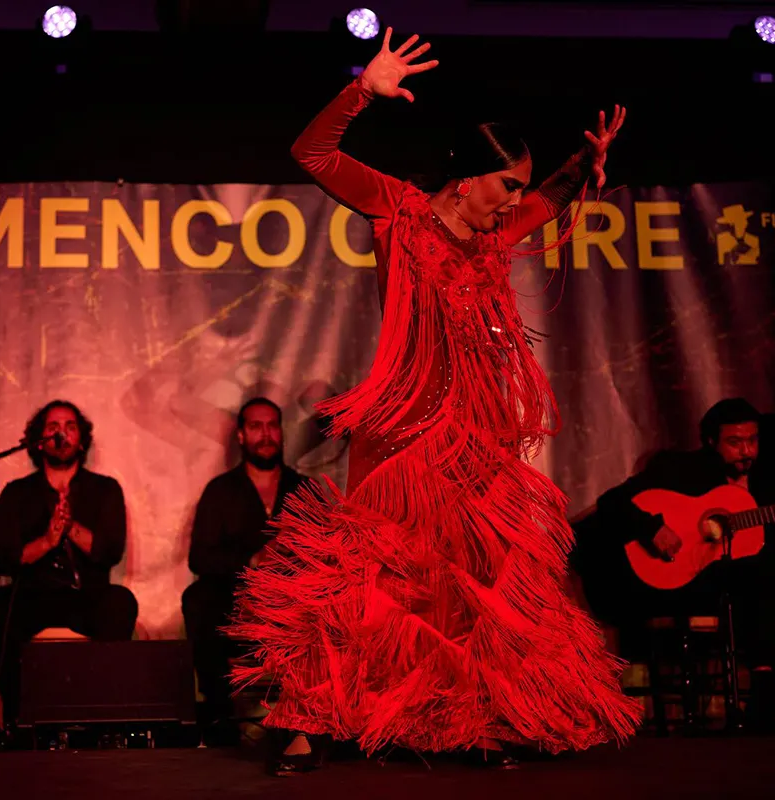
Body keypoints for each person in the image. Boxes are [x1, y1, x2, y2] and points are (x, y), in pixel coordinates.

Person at [225, 29, 640, 776]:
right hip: (404, 431)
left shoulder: (493, 236)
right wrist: (363, 88)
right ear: (469, 178)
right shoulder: (401, 212)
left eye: (517, 188)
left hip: (475, 438)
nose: (513, 202)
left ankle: (465, 723)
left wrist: (586, 164)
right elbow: (312, 156)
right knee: (365, 580)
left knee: (472, 587)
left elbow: (547, 203)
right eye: (506, 185)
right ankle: (304, 726)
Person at [571, 398, 775, 729]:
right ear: (711, 442)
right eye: (735, 442)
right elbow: (612, 502)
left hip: (759, 589)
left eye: (753, 440)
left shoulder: (770, 486)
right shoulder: (682, 470)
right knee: (748, 573)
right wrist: (652, 528)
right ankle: (764, 693)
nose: (746, 451)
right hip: (693, 585)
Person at [0, 400, 139, 732]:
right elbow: (5, 559)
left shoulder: (105, 489)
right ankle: (18, 718)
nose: (61, 434)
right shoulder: (17, 493)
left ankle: (104, 721)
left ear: (81, 440)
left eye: (70, 426)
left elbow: (110, 551)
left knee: (121, 603)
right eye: (53, 427)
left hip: (85, 597)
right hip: (33, 596)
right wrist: (47, 542)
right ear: (39, 440)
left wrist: (71, 528)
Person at [183, 398, 317, 745]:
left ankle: (312, 722)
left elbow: (326, 553)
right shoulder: (221, 491)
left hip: (293, 601)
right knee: (198, 598)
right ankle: (218, 720)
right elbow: (200, 558)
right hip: (235, 600)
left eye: (272, 425)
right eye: (256, 427)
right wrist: (254, 561)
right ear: (241, 436)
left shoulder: (304, 490)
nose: (266, 434)